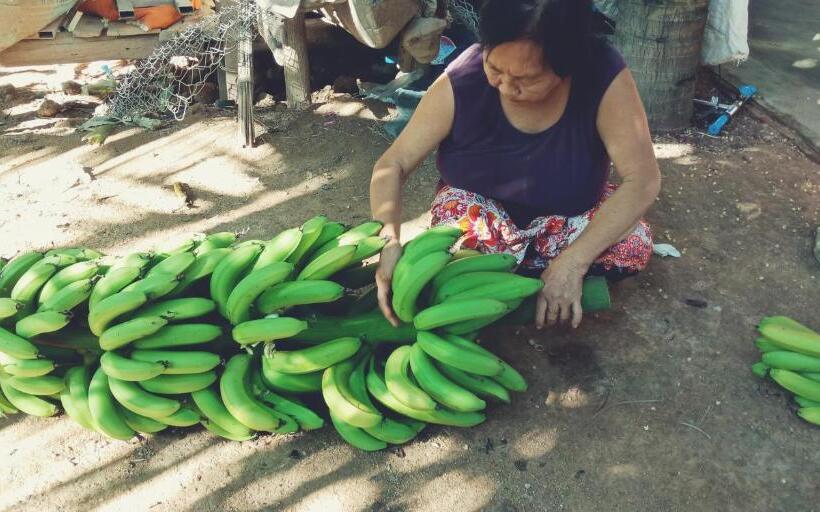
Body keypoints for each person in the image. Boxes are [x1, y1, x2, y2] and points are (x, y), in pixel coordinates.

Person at [369, 0, 661, 331]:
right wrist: (388, 239)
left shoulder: (602, 73)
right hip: (481, 226)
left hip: (564, 222)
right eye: (494, 68)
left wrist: (573, 263)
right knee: (455, 247)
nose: (506, 86)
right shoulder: (464, 77)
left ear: (568, 65)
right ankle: (528, 284)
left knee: (632, 242)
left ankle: (541, 277)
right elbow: (394, 163)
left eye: (527, 78)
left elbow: (643, 180)